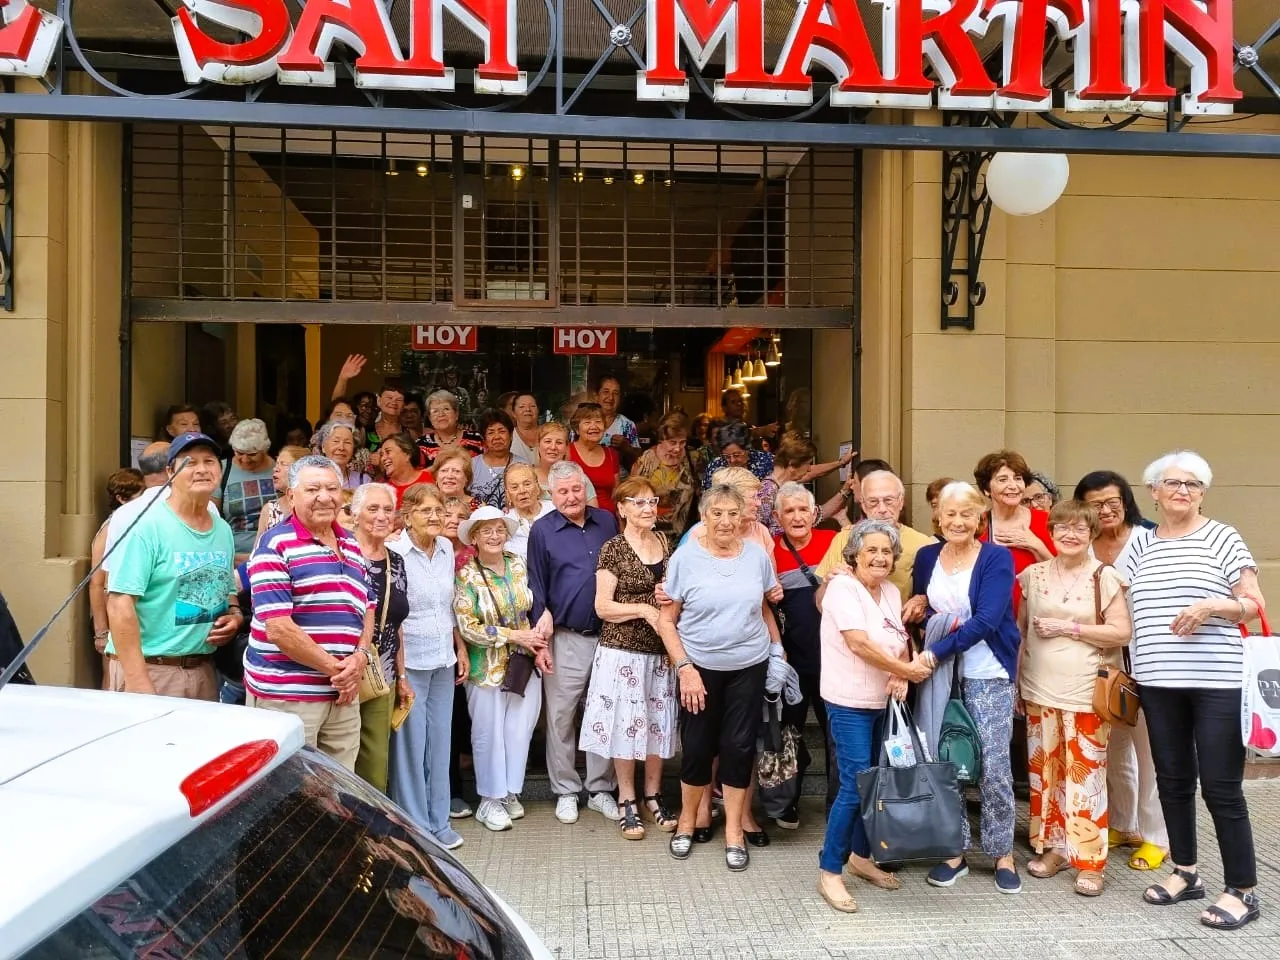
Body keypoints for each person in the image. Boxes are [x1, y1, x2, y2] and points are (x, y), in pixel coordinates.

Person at [1127, 451, 1265, 930]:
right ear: (1154, 491)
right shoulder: (1140, 545)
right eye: (1173, 483)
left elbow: (1253, 603)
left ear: (1203, 492)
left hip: (1216, 682)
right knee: (1172, 780)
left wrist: (1210, 606)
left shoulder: (1222, 537)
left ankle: (1242, 889)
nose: (1182, 491)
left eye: (1193, 484)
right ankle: (1185, 871)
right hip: (1157, 681)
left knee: (1222, 787)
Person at [657, 484, 780, 872]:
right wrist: (685, 668)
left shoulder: (757, 556)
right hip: (699, 668)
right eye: (717, 513)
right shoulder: (685, 558)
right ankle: (687, 822)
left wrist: (777, 652)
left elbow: (764, 608)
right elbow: (666, 620)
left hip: (748, 665)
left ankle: (734, 832)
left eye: (733, 513)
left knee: (739, 747)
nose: (725, 521)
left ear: (743, 517)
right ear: (703, 517)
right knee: (697, 748)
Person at [912, 481, 1023, 894]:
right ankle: (954, 850)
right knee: (946, 760)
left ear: (981, 518)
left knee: (993, 765)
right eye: (949, 513)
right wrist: (921, 607)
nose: (957, 521)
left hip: (986, 670)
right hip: (942, 673)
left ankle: (1002, 852)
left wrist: (935, 651)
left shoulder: (996, 557)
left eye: (966, 514)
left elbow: (988, 620)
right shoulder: (927, 556)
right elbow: (924, 605)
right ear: (938, 516)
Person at [1018, 500, 1132, 897]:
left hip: (1085, 693)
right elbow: (1020, 632)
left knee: (1086, 778)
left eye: (1079, 529)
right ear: (1050, 532)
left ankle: (1090, 861)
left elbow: (1121, 632)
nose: (1070, 535)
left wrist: (1069, 628)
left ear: (1091, 534)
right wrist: (1016, 682)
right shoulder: (1032, 575)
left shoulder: (1104, 576)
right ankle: (1054, 848)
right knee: (1046, 775)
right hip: (1038, 688)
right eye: (1062, 527)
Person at [817, 520, 931, 913]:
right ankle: (830, 870)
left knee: (878, 782)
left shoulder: (890, 591)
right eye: (872, 550)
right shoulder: (842, 588)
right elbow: (859, 644)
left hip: (883, 701)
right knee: (854, 785)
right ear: (854, 555)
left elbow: (898, 639)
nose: (880, 557)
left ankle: (861, 857)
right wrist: (905, 671)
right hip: (848, 700)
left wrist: (901, 670)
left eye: (886, 551)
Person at [244, 455, 375, 770]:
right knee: (289, 791)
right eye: (313, 489)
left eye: (332, 488)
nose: (324, 497)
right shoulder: (274, 545)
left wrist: (360, 657)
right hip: (289, 698)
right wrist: (339, 672)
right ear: (291, 496)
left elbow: (368, 605)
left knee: (339, 788)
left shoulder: (351, 544)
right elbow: (278, 628)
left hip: (342, 696)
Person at [1074, 469, 1168, 872]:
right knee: (1113, 749)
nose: (1105, 510)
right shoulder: (1083, 544)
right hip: (1102, 662)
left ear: (1126, 501)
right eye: (1095, 504)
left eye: (1112, 501)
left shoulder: (1150, 539)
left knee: (1151, 752)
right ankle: (1122, 823)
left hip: (1148, 659)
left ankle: (1156, 836)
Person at [106, 433, 240, 700]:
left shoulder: (222, 529)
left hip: (203, 669)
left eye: (209, 461)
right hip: (152, 669)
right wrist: (137, 680)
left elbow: (225, 588)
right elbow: (119, 603)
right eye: (189, 462)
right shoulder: (146, 526)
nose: (201, 469)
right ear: (170, 472)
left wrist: (234, 614)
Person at [580, 476, 678, 841]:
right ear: (621, 508)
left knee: (657, 724)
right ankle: (627, 799)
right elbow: (602, 606)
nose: (648, 508)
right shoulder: (613, 548)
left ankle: (653, 795)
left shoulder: (664, 542)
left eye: (651, 502)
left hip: (660, 650)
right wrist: (643, 609)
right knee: (625, 725)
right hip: (622, 651)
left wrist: (668, 597)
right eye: (639, 502)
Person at [526, 461, 621, 825]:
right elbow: (535, 581)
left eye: (576, 489)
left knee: (603, 713)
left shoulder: (607, 521)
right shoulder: (542, 530)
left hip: (610, 635)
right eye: (562, 491)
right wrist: (542, 622)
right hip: (566, 636)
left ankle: (600, 788)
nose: (571, 497)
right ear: (551, 494)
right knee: (561, 716)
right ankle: (565, 790)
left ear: (586, 489)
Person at [454, 505, 549, 832]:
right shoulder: (466, 574)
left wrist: (537, 641)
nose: (494, 536)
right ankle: (489, 800)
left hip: (523, 663)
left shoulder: (518, 564)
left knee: (519, 731)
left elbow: (533, 607)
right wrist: (513, 635)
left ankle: (509, 791)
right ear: (474, 538)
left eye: (499, 530)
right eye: (486, 531)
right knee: (488, 734)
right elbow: (467, 626)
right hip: (487, 667)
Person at [389, 484, 468, 849]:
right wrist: (401, 673)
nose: (435, 517)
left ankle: (440, 821)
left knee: (440, 743)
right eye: (426, 511)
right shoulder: (395, 552)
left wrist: (460, 647)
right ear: (407, 516)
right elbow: (395, 619)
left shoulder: (447, 548)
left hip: (443, 658)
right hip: (411, 662)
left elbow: (449, 607)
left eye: (439, 510)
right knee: (411, 746)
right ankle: (416, 827)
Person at [770, 481, 837, 829]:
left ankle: (839, 806)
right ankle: (786, 801)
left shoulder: (833, 542)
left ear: (814, 514)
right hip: (791, 660)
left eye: (803, 510)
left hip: (834, 660)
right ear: (778, 516)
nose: (797, 517)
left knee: (835, 735)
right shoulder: (770, 549)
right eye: (789, 511)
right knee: (788, 732)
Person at [350, 484, 409, 793]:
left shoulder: (396, 561)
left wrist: (402, 676)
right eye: (373, 509)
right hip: (341, 671)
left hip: (380, 676)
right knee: (339, 761)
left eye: (388, 510)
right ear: (355, 514)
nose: (382, 516)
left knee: (375, 767)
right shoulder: (341, 554)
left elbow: (396, 624)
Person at [817, 470, 933, 610]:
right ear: (863, 505)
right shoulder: (844, 538)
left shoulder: (922, 544)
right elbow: (820, 604)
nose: (882, 509)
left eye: (888, 500)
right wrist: (827, 584)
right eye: (873, 502)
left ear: (901, 502)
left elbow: (937, 595)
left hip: (898, 621)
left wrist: (924, 600)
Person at [974, 450, 1056, 613]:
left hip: (1038, 616)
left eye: (1018, 478)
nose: (1013, 485)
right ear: (986, 489)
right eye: (1002, 479)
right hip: (992, 617)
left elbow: (1067, 575)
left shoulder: (1047, 521)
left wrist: (1036, 545)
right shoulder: (976, 524)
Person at [89, 468, 145, 684]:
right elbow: (96, 583)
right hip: (111, 616)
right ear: (122, 499)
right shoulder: (111, 527)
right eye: (141, 495)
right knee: (112, 676)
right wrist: (101, 632)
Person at [632, 412, 699, 540]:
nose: (677, 448)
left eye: (682, 442)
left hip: (685, 535)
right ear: (661, 439)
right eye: (672, 442)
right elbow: (633, 497)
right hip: (651, 534)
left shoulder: (693, 459)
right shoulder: (647, 460)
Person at [217, 418, 276, 562]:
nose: (244, 459)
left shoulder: (280, 469)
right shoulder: (221, 469)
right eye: (239, 453)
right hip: (232, 555)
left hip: (273, 555)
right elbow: (211, 516)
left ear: (265, 449)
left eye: (252, 454)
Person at [568, 402, 621, 514]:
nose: (594, 426)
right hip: (577, 517)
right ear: (577, 429)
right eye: (587, 422)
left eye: (598, 421)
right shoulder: (566, 452)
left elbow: (616, 493)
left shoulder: (612, 454)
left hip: (608, 518)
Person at [253, 444, 311, 547]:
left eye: (283, 464)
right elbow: (257, 550)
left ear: (302, 469)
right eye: (277, 464)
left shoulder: (317, 507)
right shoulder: (270, 510)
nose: (275, 469)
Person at [472, 409, 525, 508]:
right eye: (490, 433)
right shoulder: (472, 465)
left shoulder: (523, 465)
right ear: (484, 439)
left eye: (502, 431)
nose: (497, 437)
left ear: (511, 435)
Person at [535, 422, 598, 504]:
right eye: (548, 441)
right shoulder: (527, 477)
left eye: (559, 442)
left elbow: (593, 510)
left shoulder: (578, 477)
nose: (553, 447)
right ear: (538, 445)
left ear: (566, 448)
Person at [419, 390, 484, 464]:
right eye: (435, 411)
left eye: (446, 409)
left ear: (456, 414)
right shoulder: (422, 444)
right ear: (430, 418)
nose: (441, 414)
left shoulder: (475, 439)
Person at [702, 421, 773, 489]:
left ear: (747, 449)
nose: (732, 460)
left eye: (736, 455)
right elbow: (708, 494)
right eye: (727, 456)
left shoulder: (767, 461)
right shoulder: (715, 466)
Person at [503, 463, 553, 558]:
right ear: (508, 494)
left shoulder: (555, 511)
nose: (522, 491)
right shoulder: (505, 523)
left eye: (527, 484)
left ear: (537, 487)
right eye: (514, 487)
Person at [595, 375, 639, 465]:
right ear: (596, 396)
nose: (611, 397)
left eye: (615, 393)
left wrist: (626, 448)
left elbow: (639, 460)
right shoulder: (583, 423)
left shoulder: (627, 425)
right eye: (606, 392)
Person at [381, 433, 434, 507]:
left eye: (388, 452)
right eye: (381, 455)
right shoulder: (383, 491)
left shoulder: (432, 478)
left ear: (407, 454)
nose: (383, 458)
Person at [318, 420, 370, 492]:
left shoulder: (363, 482)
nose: (341, 448)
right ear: (323, 447)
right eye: (336, 441)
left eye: (347, 442)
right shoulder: (310, 478)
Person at [367, 383, 406, 452]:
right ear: (379, 401)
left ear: (403, 406)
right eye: (389, 398)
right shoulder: (366, 430)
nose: (394, 402)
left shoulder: (409, 432)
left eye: (399, 400)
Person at [509, 393, 541, 464]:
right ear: (513, 413)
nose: (528, 409)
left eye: (532, 406)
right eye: (522, 406)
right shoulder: (509, 436)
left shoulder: (548, 433)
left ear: (538, 410)